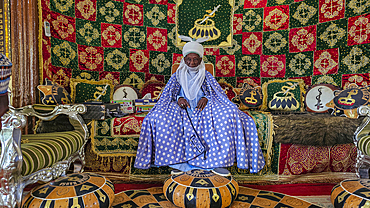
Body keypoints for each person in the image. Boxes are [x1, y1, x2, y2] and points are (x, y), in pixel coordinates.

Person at [134, 36, 265, 176]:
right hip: (182, 108)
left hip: (203, 107)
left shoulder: (206, 75)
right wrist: (179, 99)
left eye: (195, 59)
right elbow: (169, 94)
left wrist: (205, 97)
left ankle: (216, 163)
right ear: (184, 59)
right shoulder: (178, 75)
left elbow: (215, 93)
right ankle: (179, 164)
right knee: (157, 117)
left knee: (229, 113)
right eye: (188, 59)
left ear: (201, 59)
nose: (192, 62)